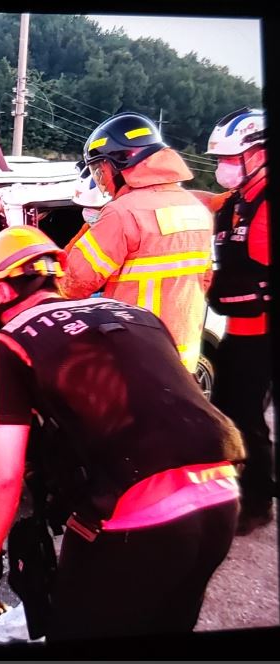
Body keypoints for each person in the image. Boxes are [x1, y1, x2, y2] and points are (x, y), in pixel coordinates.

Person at [0, 225, 245, 641]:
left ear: (2, 291)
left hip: (136, 521)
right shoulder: (137, 315)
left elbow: (1, 474)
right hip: (222, 498)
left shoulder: (8, 342)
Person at [61, 112, 214, 373]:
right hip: (183, 356)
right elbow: (205, 279)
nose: (101, 181)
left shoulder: (123, 212)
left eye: (100, 170)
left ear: (120, 163)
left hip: (136, 353)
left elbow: (74, 282)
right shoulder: (195, 208)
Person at [203, 108, 274, 535]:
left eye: (231, 159)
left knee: (247, 416)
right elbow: (205, 203)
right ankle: (235, 489)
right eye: (221, 160)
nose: (223, 168)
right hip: (238, 328)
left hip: (262, 332)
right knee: (228, 408)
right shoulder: (238, 200)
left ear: (258, 154)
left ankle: (258, 503)